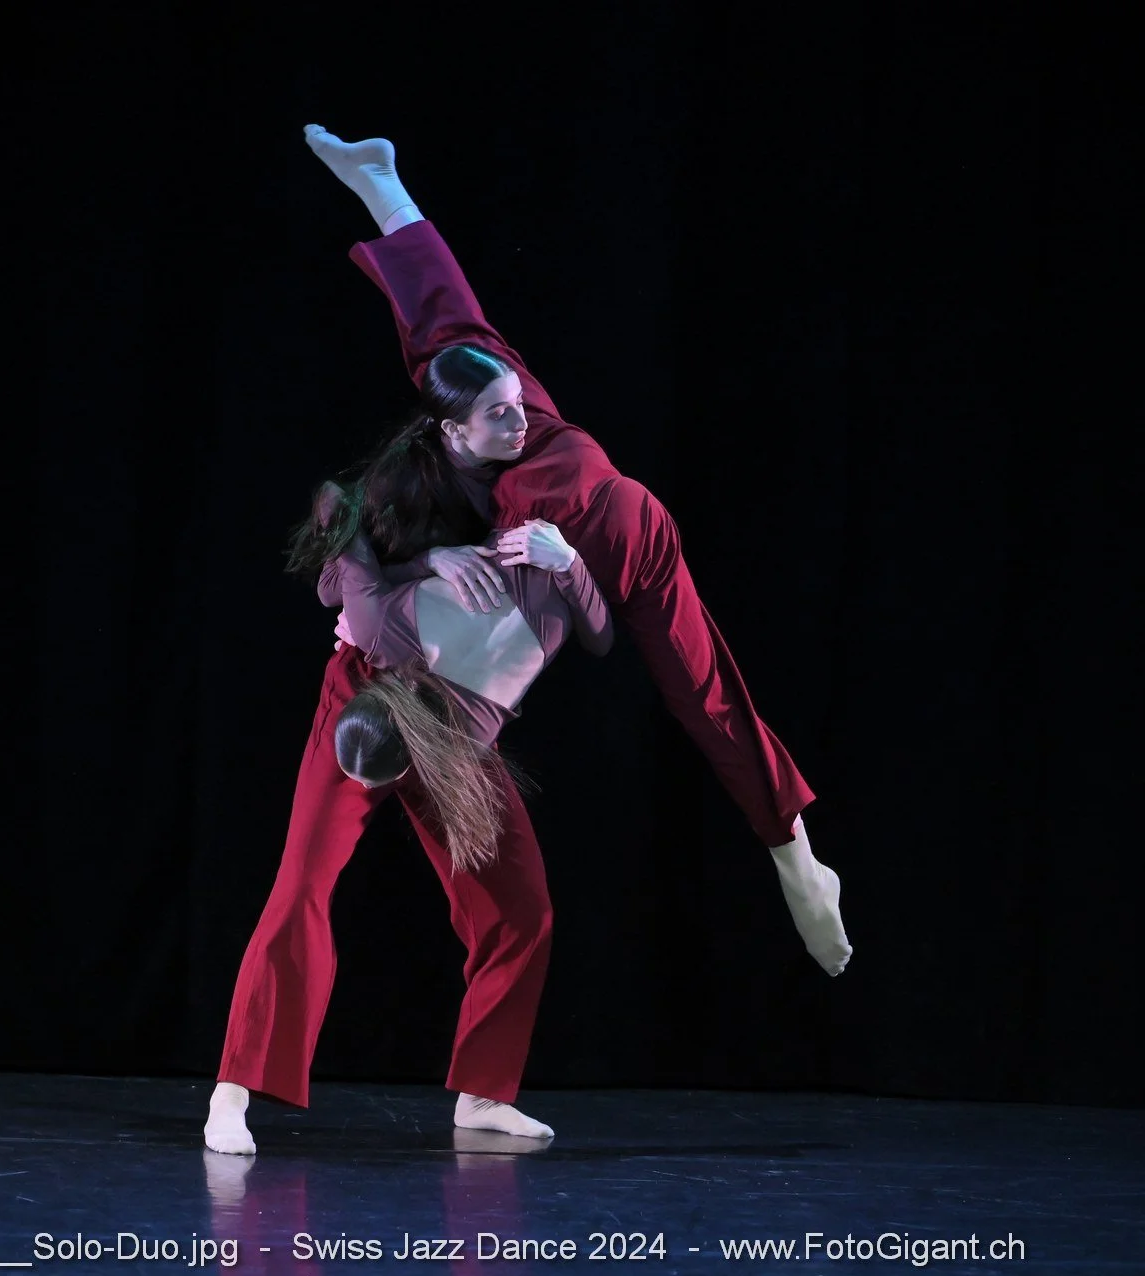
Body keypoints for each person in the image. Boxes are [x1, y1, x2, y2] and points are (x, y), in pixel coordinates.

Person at [204, 126, 851, 1157]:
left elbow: (697, 685)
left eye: (510, 406)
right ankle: (236, 1088)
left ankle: (483, 1094)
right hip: (380, 691)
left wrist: (793, 854)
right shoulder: (435, 466)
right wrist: (416, 568)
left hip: (492, 673)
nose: (508, 416)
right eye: (494, 414)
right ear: (458, 431)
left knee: (523, 904)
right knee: (304, 882)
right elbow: (348, 547)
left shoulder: (553, 463)